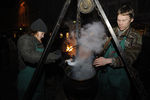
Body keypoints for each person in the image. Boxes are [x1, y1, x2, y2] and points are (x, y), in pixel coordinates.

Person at [93, 4, 142, 100]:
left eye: (124, 20)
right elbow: (102, 45)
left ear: (131, 20)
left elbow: (128, 59)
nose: (120, 23)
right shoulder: (113, 31)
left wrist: (108, 61)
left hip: (120, 77)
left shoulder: (135, 37)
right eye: (118, 20)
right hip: (104, 75)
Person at [17, 18, 61, 100]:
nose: (43, 36)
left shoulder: (38, 41)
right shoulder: (25, 39)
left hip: (39, 78)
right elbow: (29, 55)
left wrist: (56, 55)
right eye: (42, 33)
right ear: (36, 31)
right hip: (27, 79)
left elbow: (41, 55)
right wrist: (52, 56)